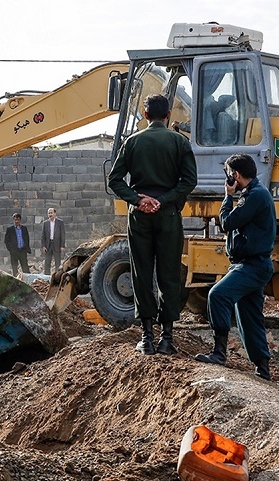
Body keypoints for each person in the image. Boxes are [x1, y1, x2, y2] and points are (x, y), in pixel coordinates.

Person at [107, 94, 198, 355]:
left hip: (139, 217)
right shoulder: (180, 142)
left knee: (141, 273)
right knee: (169, 274)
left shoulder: (132, 142)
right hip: (168, 215)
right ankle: (167, 339)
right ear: (168, 115)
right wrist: (163, 199)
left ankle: (146, 338)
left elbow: (115, 180)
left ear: (145, 116)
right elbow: (189, 181)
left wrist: (138, 199)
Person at [195, 153, 276, 381]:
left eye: (230, 174)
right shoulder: (255, 193)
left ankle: (219, 352)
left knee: (217, 295)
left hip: (253, 265)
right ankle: (262, 369)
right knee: (248, 316)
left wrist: (227, 197)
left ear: (236, 175)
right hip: (250, 264)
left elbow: (228, 222)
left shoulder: (255, 196)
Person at [41, 207, 65, 275]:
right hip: (48, 245)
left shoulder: (60, 222)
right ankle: (46, 276)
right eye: (49, 213)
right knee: (47, 262)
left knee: (57, 262)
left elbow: (63, 234)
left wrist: (62, 245)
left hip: (57, 245)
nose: (50, 214)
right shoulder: (45, 223)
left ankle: (57, 276)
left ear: (55, 213)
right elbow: (43, 236)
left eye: (51, 213)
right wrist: (43, 246)